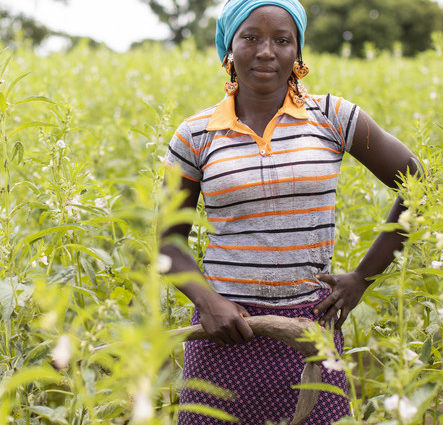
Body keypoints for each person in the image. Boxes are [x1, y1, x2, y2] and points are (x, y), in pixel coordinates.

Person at [161, 0, 422, 424]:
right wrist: (208, 302)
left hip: (310, 328)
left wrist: (362, 278)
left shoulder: (333, 117)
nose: (267, 51)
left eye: (283, 40)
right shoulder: (195, 134)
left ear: (297, 53)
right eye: (251, 37)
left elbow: (419, 184)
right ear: (229, 47)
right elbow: (168, 243)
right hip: (225, 331)